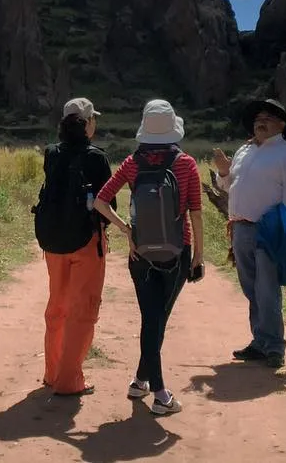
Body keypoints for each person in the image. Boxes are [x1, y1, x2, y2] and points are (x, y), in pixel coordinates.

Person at [93, 99, 204, 416]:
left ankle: (140, 381)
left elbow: (101, 201)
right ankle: (160, 394)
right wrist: (198, 257)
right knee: (156, 322)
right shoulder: (186, 164)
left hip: (139, 254)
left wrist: (127, 230)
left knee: (151, 319)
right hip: (176, 253)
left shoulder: (132, 162)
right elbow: (195, 213)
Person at [213, 98, 286, 369]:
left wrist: (282, 228)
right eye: (257, 119)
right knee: (251, 288)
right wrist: (223, 172)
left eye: (266, 117)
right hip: (240, 227)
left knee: (267, 289)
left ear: (282, 124)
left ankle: (275, 346)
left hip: (269, 229)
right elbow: (229, 186)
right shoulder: (244, 151)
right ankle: (260, 341)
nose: (259, 122)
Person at [36, 97, 113, 397]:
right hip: (86, 243)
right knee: (83, 310)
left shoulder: (51, 153)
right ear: (88, 123)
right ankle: (69, 380)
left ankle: (52, 372)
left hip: (53, 242)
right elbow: (109, 205)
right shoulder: (96, 158)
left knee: (57, 306)